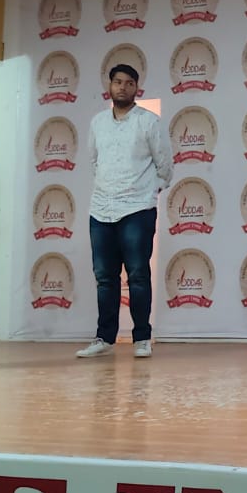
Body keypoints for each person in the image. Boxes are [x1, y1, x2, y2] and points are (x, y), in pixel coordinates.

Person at [77, 63, 172, 360]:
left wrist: (148, 192)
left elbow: (164, 165)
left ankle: (142, 338)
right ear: (109, 86)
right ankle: (104, 338)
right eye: (117, 82)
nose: (122, 87)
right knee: (105, 277)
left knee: (138, 275)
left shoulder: (149, 122)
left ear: (137, 88)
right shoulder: (98, 123)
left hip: (137, 209)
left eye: (129, 83)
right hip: (101, 209)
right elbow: (94, 161)